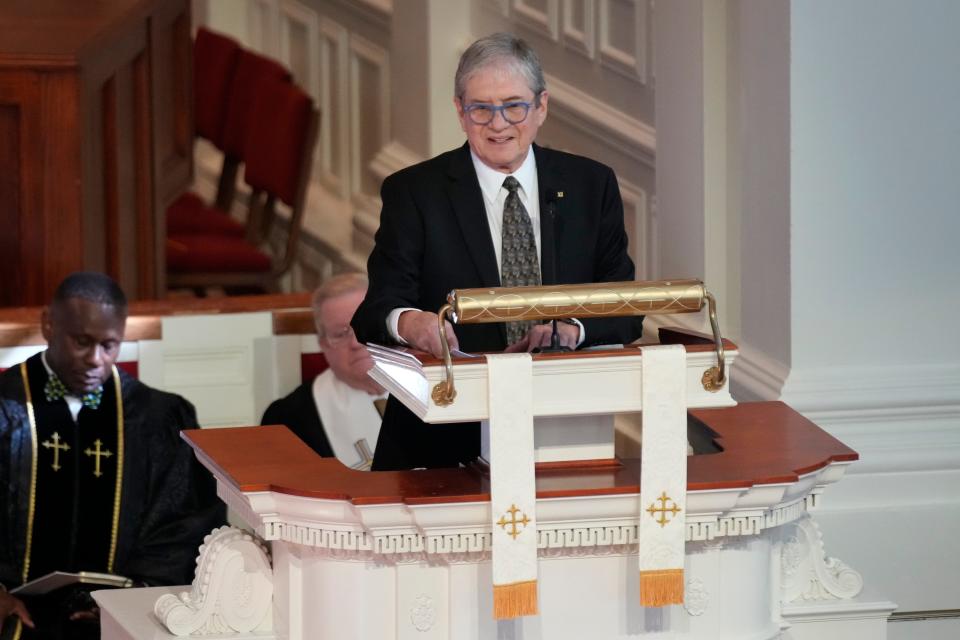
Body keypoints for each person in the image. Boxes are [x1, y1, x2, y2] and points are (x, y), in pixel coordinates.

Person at [351, 33, 644, 471]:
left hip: (563, 428)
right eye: (481, 109)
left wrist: (572, 331)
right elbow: (377, 310)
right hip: (443, 440)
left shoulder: (590, 185)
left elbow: (626, 306)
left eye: (514, 106)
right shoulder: (416, 192)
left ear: (541, 106)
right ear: (460, 111)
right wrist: (412, 323)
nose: (498, 123)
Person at [0, 273, 225, 640]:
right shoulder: (4, 404)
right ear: (48, 325)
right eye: (82, 342)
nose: (95, 360)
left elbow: (184, 520)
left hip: (118, 614)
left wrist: (137, 593)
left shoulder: (157, 417)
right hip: (13, 612)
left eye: (109, 345)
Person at [261, 274, 386, 469]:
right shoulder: (287, 420)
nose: (355, 342)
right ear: (323, 345)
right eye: (340, 334)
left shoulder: (439, 391)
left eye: (365, 324)